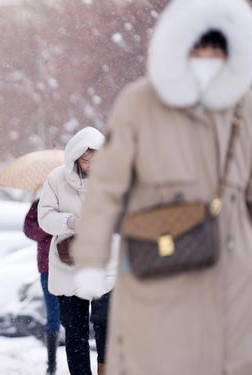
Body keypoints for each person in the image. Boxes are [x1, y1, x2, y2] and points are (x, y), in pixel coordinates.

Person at [72, 0, 252, 374]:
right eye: (198, 47)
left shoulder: (244, 105)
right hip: (160, 254)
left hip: (233, 264)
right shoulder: (141, 102)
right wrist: (90, 258)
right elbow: (107, 186)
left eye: (217, 49)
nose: (207, 58)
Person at [38, 127, 113, 375]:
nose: (90, 165)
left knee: (106, 321)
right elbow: (44, 218)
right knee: (75, 330)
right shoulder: (56, 179)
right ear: (75, 157)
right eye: (85, 159)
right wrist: (71, 221)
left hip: (105, 261)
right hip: (68, 262)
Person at [24, 198, 59, 375]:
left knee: (74, 317)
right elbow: (29, 229)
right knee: (53, 315)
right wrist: (49, 227)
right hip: (47, 267)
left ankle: (75, 359)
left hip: (72, 265)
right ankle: (51, 365)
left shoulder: (74, 199)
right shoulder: (39, 204)